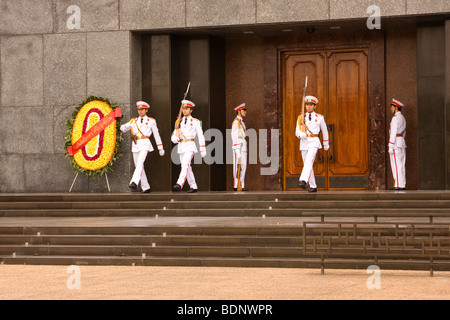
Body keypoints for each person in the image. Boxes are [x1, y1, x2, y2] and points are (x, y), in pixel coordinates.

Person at [120, 101, 164, 193]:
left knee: (140, 163)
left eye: (142, 109)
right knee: (139, 166)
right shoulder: (134, 121)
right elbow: (123, 128)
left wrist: (160, 147)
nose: (140, 111)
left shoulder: (151, 121)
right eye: (139, 109)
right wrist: (126, 125)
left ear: (146, 110)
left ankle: (134, 182)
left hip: (145, 143)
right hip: (136, 144)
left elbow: (156, 135)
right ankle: (146, 187)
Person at [171, 100, 206, 193]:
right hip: (181, 146)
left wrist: (202, 148)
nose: (185, 110)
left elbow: (200, 135)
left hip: (190, 146)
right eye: (183, 109)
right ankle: (193, 186)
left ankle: (179, 183)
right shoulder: (179, 121)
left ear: (191, 110)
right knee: (187, 167)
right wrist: (174, 138)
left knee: (185, 165)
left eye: (187, 109)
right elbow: (175, 133)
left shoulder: (195, 122)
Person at [295, 95, 329, 193]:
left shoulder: (319, 118)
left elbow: (325, 131)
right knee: (307, 164)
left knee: (309, 161)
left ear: (315, 106)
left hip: (314, 142)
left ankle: (303, 180)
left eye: (311, 105)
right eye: (307, 105)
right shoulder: (300, 117)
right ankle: (313, 186)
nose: (309, 106)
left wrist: (326, 143)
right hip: (304, 143)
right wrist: (300, 134)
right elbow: (296, 131)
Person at [388, 98, 407, 190]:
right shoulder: (402, 118)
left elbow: (393, 132)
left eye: (392, 107)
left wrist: (390, 145)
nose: (391, 109)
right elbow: (404, 132)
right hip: (401, 142)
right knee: (402, 164)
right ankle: (402, 184)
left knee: (396, 164)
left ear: (396, 108)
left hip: (395, 143)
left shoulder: (395, 118)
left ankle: (398, 184)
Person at [231, 103, 248, 191]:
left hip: (243, 146)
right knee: (237, 166)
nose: (245, 112)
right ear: (239, 111)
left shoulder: (242, 123)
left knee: (243, 166)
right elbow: (234, 136)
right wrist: (236, 149)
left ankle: (241, 185)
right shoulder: (236, 122)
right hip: (238, 147)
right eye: (243, 110)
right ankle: (236, 185)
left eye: (245, 110)